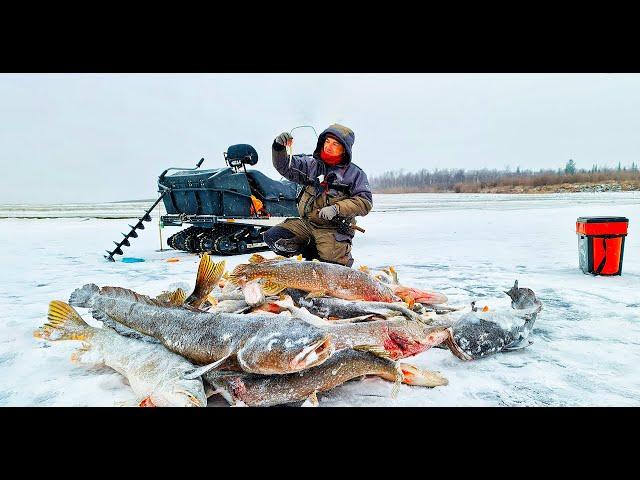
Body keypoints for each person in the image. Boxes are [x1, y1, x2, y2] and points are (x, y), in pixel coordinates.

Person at [263, 123, 372, 267]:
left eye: (335, 144)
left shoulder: (355, 174)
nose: (328, 146)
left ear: (344, 149)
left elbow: (364, 202)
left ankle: (327, 258)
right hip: (307, 224)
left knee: (332, 270)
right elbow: (285, 167)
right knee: (274, 237)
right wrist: (279, 147)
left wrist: (336, 209)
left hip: (332, 229)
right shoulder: (312, 164)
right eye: (327, 141)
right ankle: (311, 252)